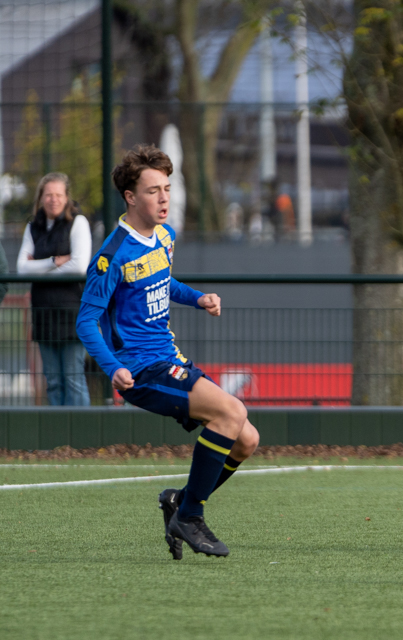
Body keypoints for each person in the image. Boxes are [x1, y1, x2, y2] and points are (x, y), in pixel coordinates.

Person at [76, 144, 260, 559]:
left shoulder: (164, 236)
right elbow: (85, 322)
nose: (164, 199)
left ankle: (179, 502)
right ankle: (190, 516)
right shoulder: (111, 256)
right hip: (140, 370)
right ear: (130, 197)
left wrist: (197, 298)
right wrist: (112, 367)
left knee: (246, 439)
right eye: (153, 191)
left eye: (167, 189)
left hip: (170, 359)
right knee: (232, 413)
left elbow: (164, 282)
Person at [17, 172, 91, 405]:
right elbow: (21, 268)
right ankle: (57, 429)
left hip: (71, 314)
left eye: (58, 194)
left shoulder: (78, 223)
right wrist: (55, 261)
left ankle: (81, 428)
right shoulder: (33, 227)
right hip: (43, 314)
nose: (53, 199)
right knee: (53, 381)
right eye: (48, 195)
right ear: (41, 197)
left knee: (73, 379)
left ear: (66, 197)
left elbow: (79, 267)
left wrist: (39, 269)